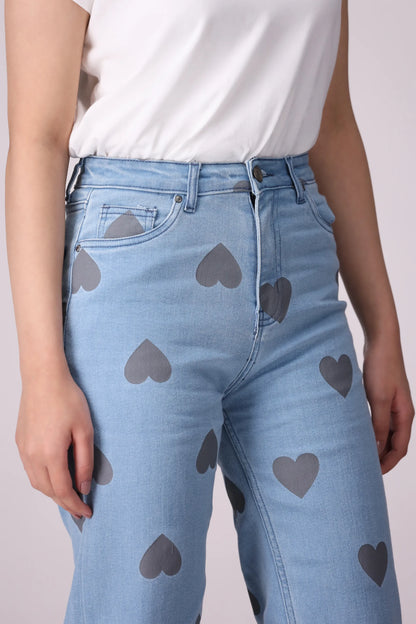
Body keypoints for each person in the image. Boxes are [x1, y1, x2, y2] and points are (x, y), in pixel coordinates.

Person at [4, 0, 413, 622]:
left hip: (300, 283)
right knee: (142, 605)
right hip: (137, 281)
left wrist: (383, 329)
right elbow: (37, 138)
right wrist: (40, 374)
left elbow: (331, 123)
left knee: (352, 601)